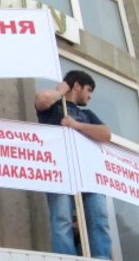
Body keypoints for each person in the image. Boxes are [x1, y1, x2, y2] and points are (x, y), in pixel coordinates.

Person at [35, 70, 112, 259]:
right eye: (89, 90)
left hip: (89, 173)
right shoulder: (53, 107)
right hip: (60, 170)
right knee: (62, 219)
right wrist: (61, 90)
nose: (90, 96)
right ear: (76, 86)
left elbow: (105, 134)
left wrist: (77, 125)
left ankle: (101, 257)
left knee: (99, 218)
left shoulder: (87, 114)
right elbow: (41, 98)